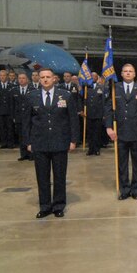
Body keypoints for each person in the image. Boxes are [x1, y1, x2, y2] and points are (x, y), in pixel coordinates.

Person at [23, 68, 78, 218]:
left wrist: (73, 140)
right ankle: (45, 206)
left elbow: (73, 119)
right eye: (42, 77)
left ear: (54, 79)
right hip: (39, 142)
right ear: (38, 79)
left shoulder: (65, 96)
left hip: (60, 142)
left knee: (60, 176)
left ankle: (59, 205)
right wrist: (27, 141)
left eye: (48, 77)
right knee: (42, 176)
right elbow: (26, 121)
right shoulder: (31, 96)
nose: (45, 79)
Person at [106, 64, 137, 200]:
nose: (127, 73)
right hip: (120, 133)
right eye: (125, 71)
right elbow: (108, 109)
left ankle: (135, 189)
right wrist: (109, 127)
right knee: (122, 164)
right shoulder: (115, 89)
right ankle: (124, 189)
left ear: (134, 74)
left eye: (130, 71)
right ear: (121, 74)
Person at [11, 72, 34, 161]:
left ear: (27, 79)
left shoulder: (32, 90)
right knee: (21, 137)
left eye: (23, 78)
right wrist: (13, 116)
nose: (21, 80)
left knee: (30, 136)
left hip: (30, 117)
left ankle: (31, 154)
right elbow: (12, 105)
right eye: (20, 78)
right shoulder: (14, 90)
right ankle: (23, 154)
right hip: (19, 117)